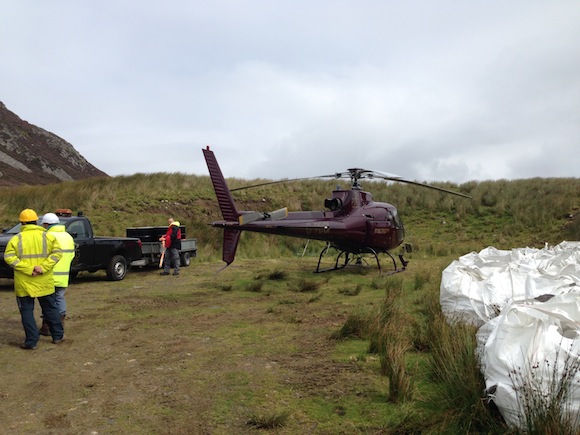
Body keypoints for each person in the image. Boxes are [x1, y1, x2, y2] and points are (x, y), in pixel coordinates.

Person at [4, 208, 64, 349]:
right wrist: (42, 267)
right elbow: (57, 253)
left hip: (24, 283)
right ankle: (58, 336)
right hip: (44, 281)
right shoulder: (48, 237)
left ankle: (31, 342)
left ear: (22, 223)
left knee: (26, 311)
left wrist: (27, 269)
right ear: (36, 221)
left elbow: (9, 257)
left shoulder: (16, 239)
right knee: (50, 309)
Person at [38, 212, 75, 336]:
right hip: (63, 275)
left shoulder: (46, 236)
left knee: (47, 302)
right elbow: (72, 255)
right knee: (59, 298)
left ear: (47, 224)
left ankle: (47, 326)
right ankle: (60, 323)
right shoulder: (68, 237)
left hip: (48, 274)